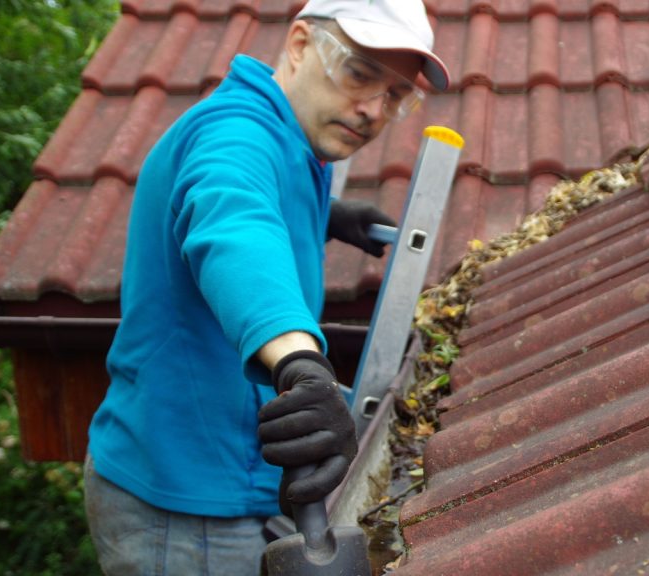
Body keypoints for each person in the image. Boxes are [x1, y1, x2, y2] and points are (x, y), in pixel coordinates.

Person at [82, 1, 450, 573]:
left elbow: (258, 200)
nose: (373, 109)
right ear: (301, 46)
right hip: (187, 504)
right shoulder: (236, 134)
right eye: (359, 75)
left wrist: (326, 215)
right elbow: (235, 226)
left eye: (396, 95)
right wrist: (300, 364)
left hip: (220, 475)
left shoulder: (295, 139)